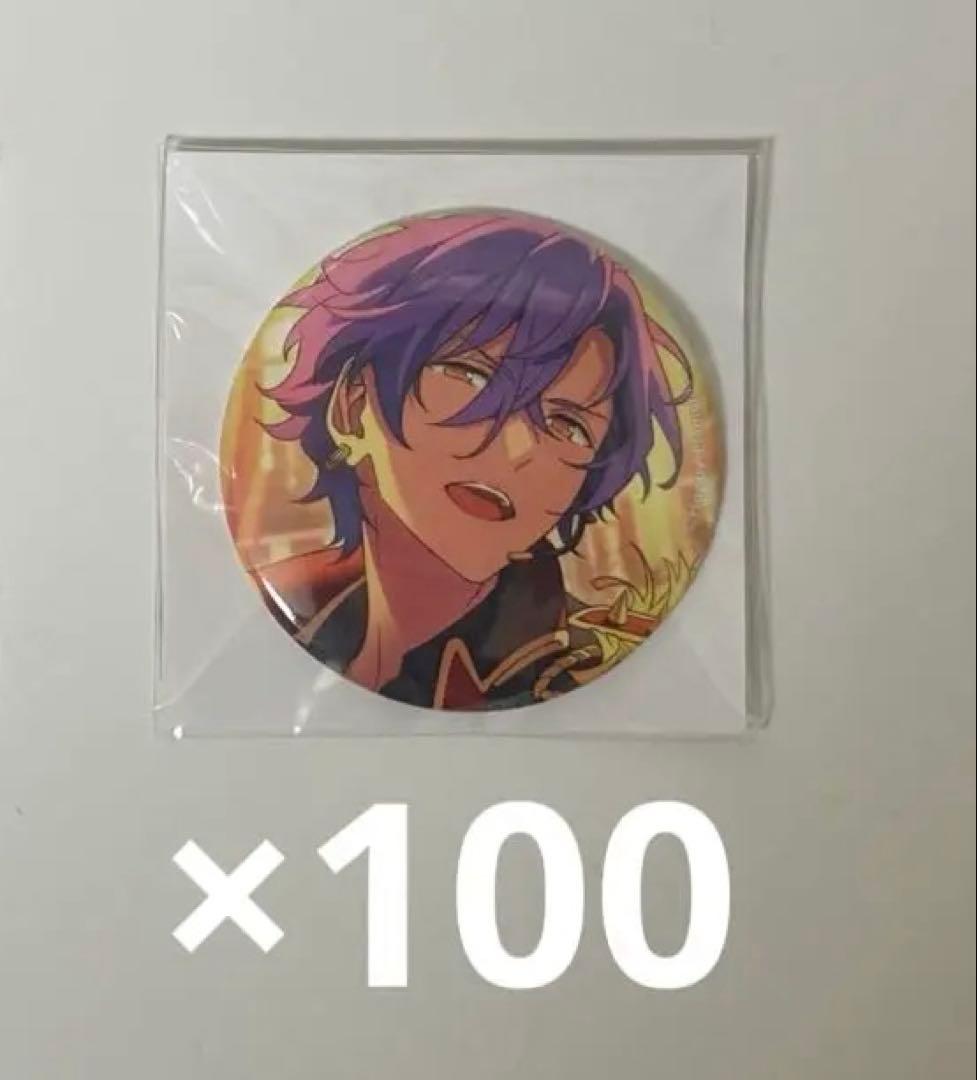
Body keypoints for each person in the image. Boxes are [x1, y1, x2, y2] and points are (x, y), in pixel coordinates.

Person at [256, 210, 690, 709]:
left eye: (568, 425)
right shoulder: (305, 606)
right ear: (352, 407)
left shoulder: (566, 668)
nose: (519, 450)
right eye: (470, 376)